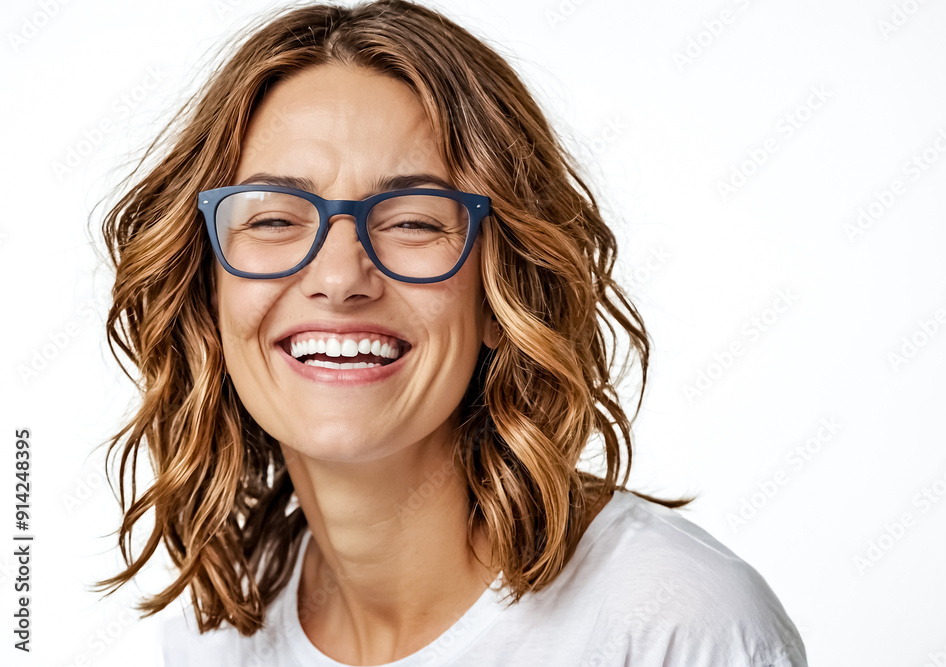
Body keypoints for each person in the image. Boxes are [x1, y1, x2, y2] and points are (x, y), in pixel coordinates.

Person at [96, 1, 808, 665]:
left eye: (412, 220)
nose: (340, 277)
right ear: (207, 294)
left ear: (504, 295)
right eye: (275, 218)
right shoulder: (214, 634)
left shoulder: (671, 624)